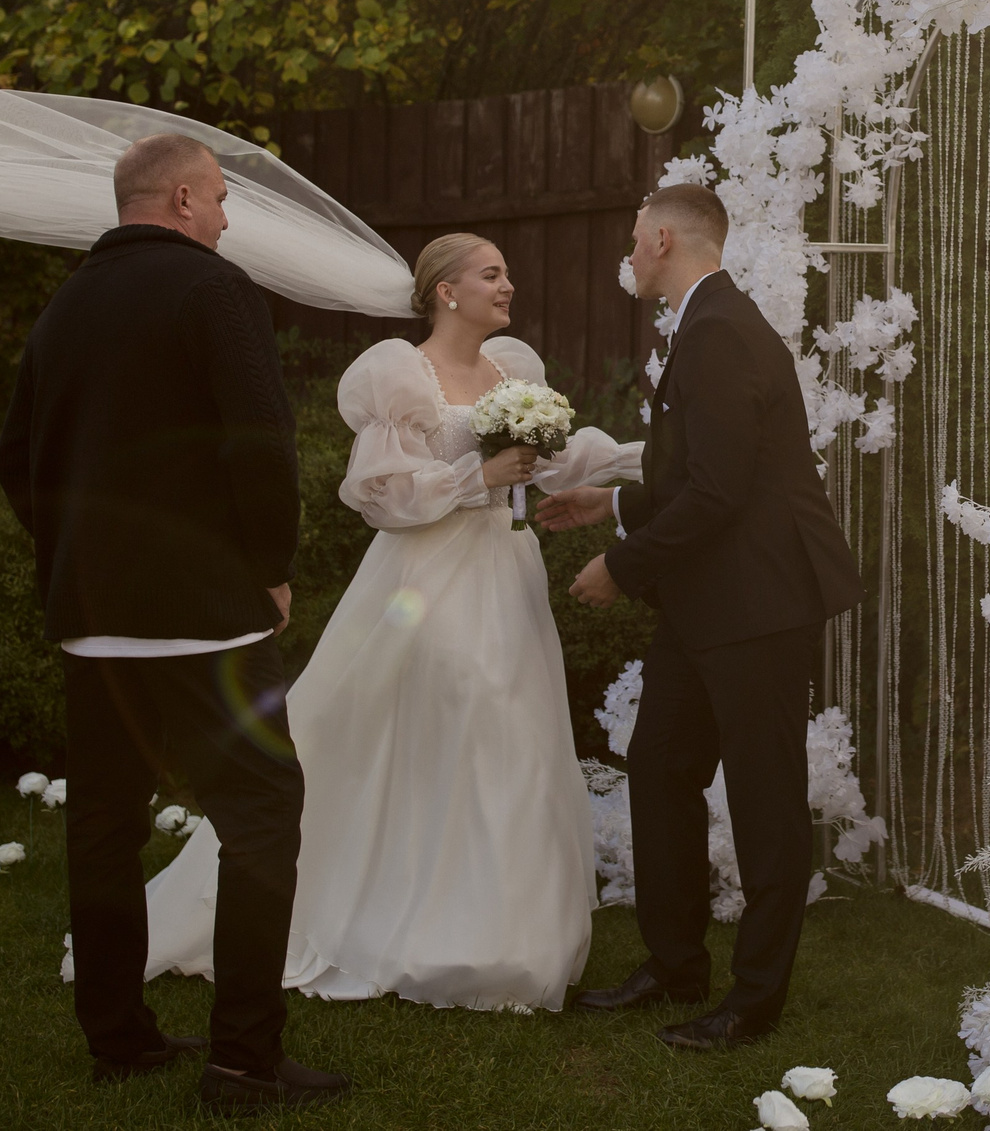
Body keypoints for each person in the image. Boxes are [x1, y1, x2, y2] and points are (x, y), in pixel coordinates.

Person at [140, 233, 644, 1013]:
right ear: (446, 290)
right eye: (491, 273)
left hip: (507, 572)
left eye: (507, 272)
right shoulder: (402, 376)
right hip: (424, 580)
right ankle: (416, 914)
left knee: (516, 733)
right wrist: (478, 475)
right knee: (456, 718)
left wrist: (648, 461)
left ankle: (508, 932)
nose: (507, 284)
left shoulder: (513, 370)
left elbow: (555, 461)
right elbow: (383, 493)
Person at [0, 133, 350, 1116]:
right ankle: (242, 1063)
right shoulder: (214, 290)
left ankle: (119, 1038)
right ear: (184, 199)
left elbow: (15, 459)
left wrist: (82, 556)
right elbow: (260, 443)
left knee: (105, 826)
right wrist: (268, 569)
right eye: (222, 197)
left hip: (92, 621)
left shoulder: (66, 304)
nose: (229, 218)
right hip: (205, 620)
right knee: (262, 815)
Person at [538, 182, 863, 1052]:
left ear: (665, 240)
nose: (628, 254)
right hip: (708, 598)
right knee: (659, 763)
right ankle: (675, 964)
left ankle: (753, 1001)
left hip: (758, 601)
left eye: (634, 239)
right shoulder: (706, 323)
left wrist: (622, 565)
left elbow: (719, 493)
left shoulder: (720, 330)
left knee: (764, 799)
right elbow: (701, 479)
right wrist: (609, 503)